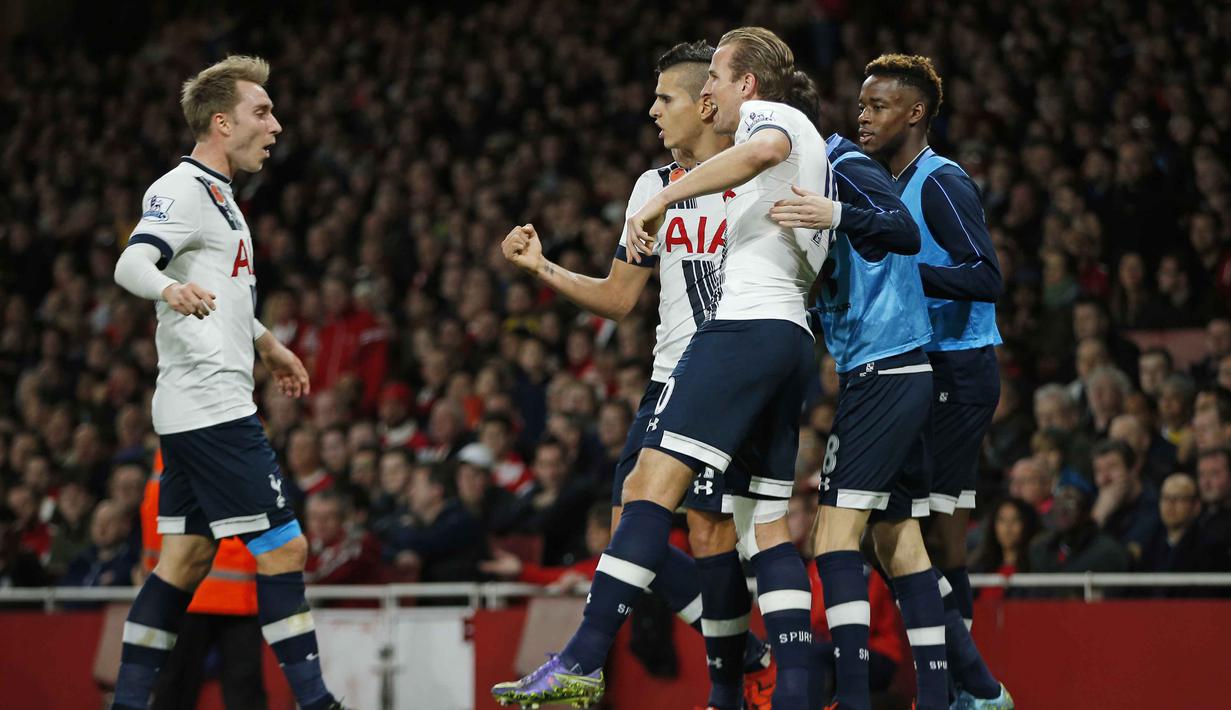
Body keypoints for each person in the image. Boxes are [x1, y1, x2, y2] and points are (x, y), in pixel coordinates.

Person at [495, 27, 833, 709]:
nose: (653, 111)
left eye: (666, 97)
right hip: (683, 371)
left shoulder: (755, 163)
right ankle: (758, 668)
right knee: (681, 525)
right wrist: (541, 268)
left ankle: (712, 679)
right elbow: (620, 298)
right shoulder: (653, 184)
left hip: (727, 356)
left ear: (707, 103)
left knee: (677, 518)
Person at [110, 56, 345, 710]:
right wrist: (168, 287)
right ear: (221, 122)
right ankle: (317, 703)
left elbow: (230, 294)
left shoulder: (222, 197)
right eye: (260, 112)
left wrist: (267, 344)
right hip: (212, 407)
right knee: (285, 546)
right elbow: (133, 260)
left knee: (183, 561)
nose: (274, 124)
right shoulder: (182, 188)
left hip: (195, 406)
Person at [769, 64, 960, 708]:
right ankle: (937, 696)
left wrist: (834, 211)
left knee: (832, 537)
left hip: (884, 370)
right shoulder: (812, 174)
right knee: (896, 537)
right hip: (885, 372)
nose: (863, 116)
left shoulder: (841, 164)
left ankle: (852, 698)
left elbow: (904, 232)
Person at [140, 451, 267, 710]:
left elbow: (154, 506)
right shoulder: (248, 433)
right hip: (239, 593)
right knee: (244, 690)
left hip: (185, 586)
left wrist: (154, 570)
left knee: (174, 687)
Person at [969, 498, 1041, 602]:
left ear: (1026, 525)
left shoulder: (1036, 568)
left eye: (1015, 520)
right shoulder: (979, 567)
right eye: (1002, 520)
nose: (1008, 527)